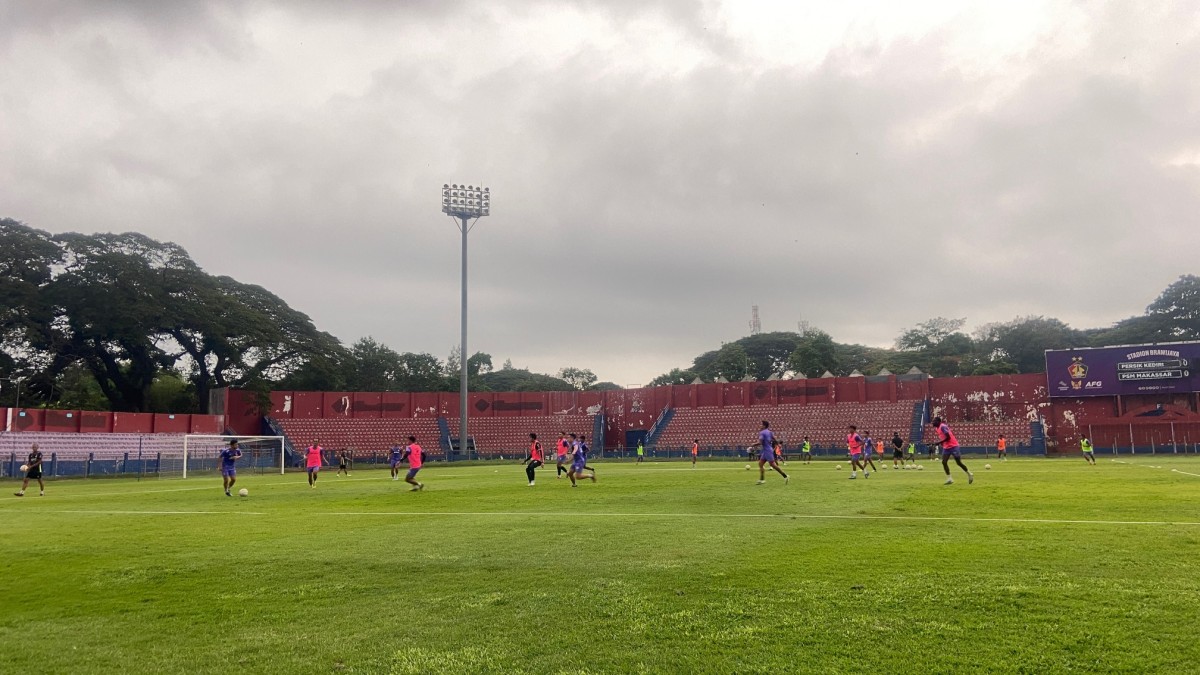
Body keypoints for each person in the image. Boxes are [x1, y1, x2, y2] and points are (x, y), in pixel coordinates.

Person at [930, 417, 973, 485]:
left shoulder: (943, 427)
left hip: (953, 446)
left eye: (934, 421)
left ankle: (969, 474)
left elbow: (948, 437)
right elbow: (943, 437)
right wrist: (941, 442)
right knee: (944, 462)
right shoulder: (937, 428)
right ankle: (950, 479)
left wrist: (939, 442)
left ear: (938, 421)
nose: (932, 423)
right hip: (946, 447)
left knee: (958, 462)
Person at [755, 420, 789, 485]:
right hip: (767, 450)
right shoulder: (769, 432)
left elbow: (760, 442)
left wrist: (753, 445)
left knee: (773, 465)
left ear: (764, 426)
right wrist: (778, 444)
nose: (760, 426)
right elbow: (774, 439)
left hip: (767, 451)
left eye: (761, 424)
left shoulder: (762, 433)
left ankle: (785, 476)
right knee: (760, 464)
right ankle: (762, 480)